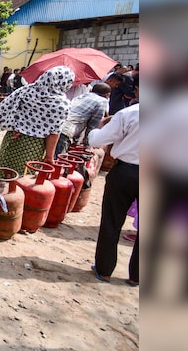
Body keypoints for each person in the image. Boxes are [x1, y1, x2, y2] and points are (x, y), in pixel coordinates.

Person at [88, 75, 139, 287]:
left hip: (126, 172)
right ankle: (137, 276)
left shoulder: (130, 113)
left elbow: (98, 140)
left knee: (111, 220)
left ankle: (104, 270)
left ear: (137, 90)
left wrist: (99, 127)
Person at [0, 66, 75, 174]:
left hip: (13, 136)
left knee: (4, 171)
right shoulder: (61, 104)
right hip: (33, 145)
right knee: (23, 177)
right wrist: (49, 156)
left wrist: (13, 125)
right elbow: (54, 133)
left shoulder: (26, 90)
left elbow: (6, 107)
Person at [55, 83, 111, 157]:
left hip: (57, 126)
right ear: (107, 95)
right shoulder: (102, 101)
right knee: (59, 161)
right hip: (67, 131)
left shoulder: (82, 96)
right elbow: (92, 126)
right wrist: (87, 146)